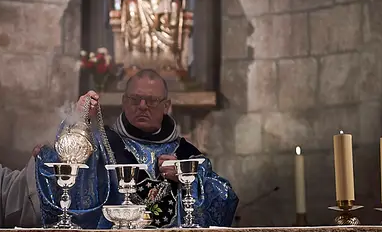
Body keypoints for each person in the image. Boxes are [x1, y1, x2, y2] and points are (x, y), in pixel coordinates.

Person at [35, 69, 238, 228]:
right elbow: (64, 164)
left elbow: (226, 198)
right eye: (135, 99)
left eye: (151, 101)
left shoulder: (186, 154)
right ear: (124, 102)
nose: (142, 106)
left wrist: (188, 178)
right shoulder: (103, 144)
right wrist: (80, 119)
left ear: (166, 105)